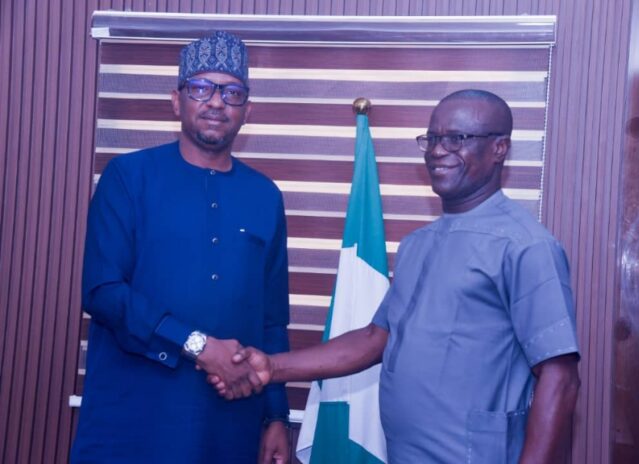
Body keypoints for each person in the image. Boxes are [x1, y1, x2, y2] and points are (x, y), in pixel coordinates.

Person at [212, 89, 581, 463]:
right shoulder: (417, 245)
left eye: (457, 138)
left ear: (500, 148)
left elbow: (560, 378)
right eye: (433, 138)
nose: (437, 150)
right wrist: (273, 367)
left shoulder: (526, 246)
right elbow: (376, 339)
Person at [71, 31, 290, 464]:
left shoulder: (266, 196)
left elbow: (272, 321)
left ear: (247, 110)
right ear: (177, 101)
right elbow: (103, 291)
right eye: (200, 88)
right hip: (134, 420)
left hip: (229, 425)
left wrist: (277, 417)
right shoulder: (128, 177)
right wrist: (199, 345)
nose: (216, 102)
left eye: (231, 92)